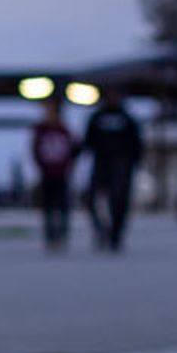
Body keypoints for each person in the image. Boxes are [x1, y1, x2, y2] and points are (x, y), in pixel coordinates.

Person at [83, 100, 145, 252]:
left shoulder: (127, 119)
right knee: (91, 198)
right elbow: (88, 140)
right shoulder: (97, 117)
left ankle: (115, 234)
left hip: (122, 165)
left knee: (118, 200)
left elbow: (136, 143)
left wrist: (134, 162)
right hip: (101, 164)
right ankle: (101, 230)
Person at [29, 101, 77, 251]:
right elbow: (35, 150)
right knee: (48, 207)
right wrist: (41, 166)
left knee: (62, 206)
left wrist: (69, 166)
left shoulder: (65, 130)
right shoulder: (41, 131)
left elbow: (73, 150)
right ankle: (50, 236)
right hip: (47, 173)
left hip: (62, 174)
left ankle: (62, 235)